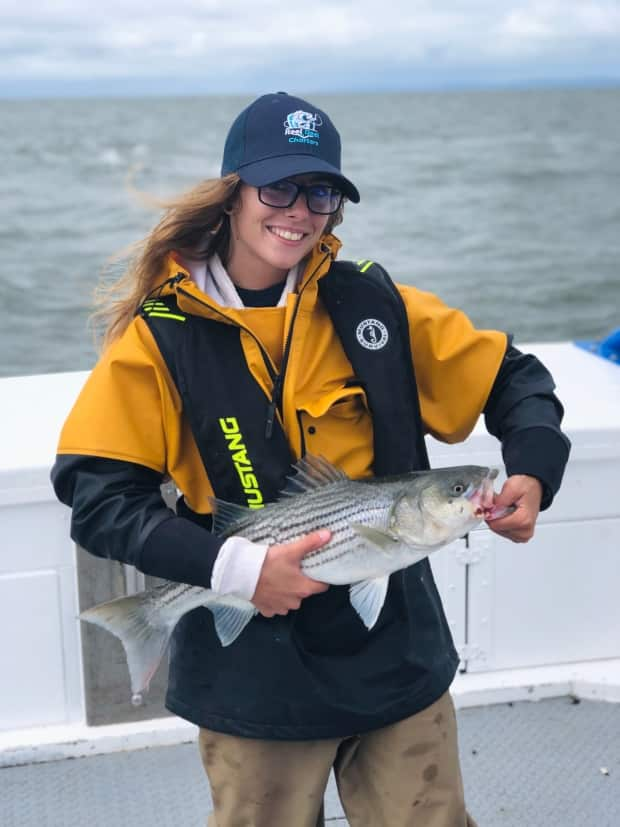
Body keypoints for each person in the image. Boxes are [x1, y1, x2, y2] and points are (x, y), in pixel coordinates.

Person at [51, 91, 570, 827]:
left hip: (396, 652)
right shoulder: (157, 338)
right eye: (278, 187)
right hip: (253, 675)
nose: (298, 210)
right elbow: (97, 495)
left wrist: (533, 469)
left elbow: (514, 378)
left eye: (320, 191)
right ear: (232, 194)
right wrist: (239, 571)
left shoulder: (377, 307)